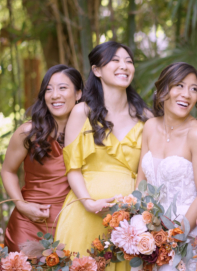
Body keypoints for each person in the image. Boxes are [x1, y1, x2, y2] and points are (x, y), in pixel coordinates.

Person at [54, 41, 150, 268]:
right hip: (84, 215)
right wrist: (89, 203)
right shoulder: (82, 112)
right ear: (96, 70)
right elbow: (73, 169)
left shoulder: (146, 117)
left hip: (129, 222)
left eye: (128, 61)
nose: (124, 66)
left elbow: (146, 171)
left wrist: (136, 211)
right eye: (115, 60)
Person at [136, 62, 197, 271]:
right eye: (179, 85)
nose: (187, 94)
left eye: (193, 88)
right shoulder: (150, 127)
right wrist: (139, 226)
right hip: (148, 234)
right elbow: (141, 183)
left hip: (185, 233)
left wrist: (175, 235)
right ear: (163, 91)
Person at [2, 64, 83, 252]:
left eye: (63, 88)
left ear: (78, 94)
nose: (55, 95)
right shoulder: (28, 132)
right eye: (49, 89)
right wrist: (21, 205)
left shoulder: (90, 134)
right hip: (29, 223)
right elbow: (8, 171)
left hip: (72, 226)